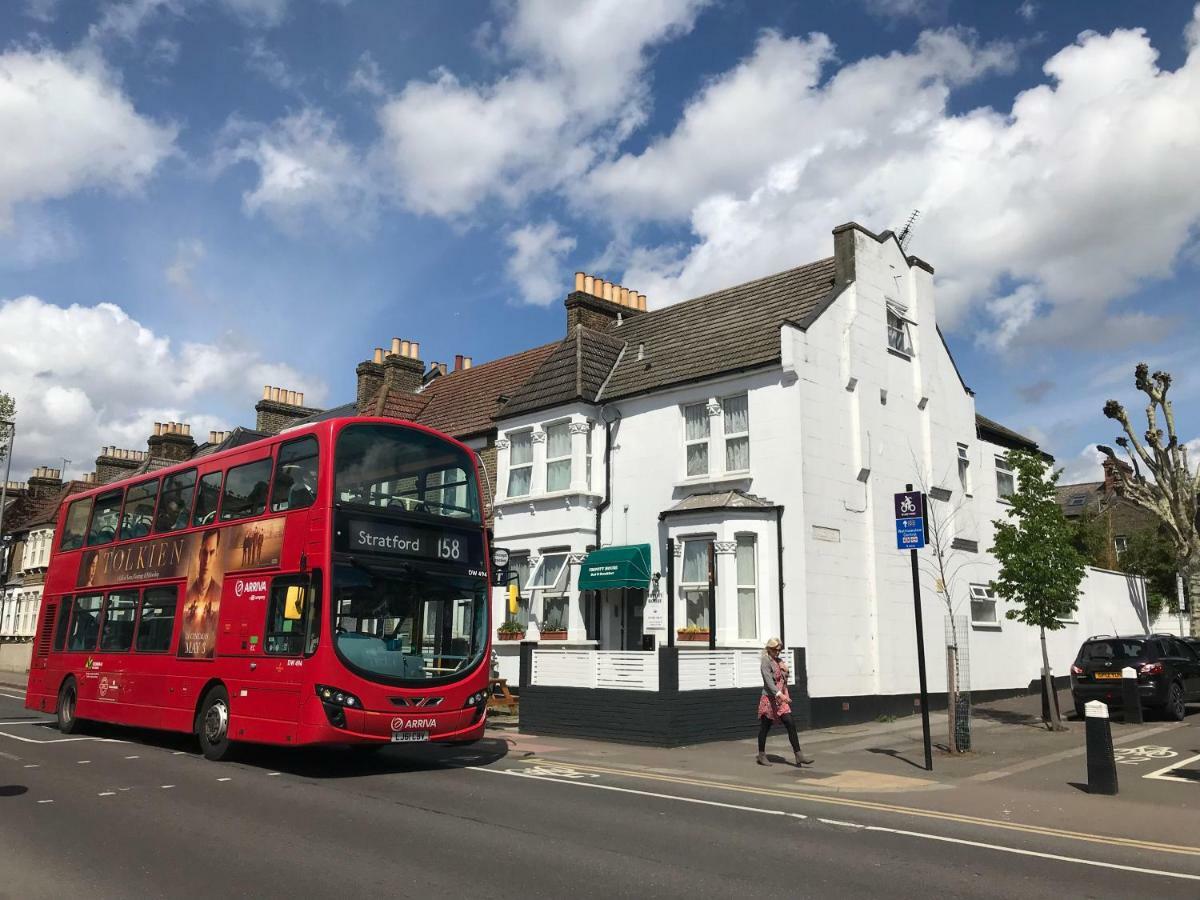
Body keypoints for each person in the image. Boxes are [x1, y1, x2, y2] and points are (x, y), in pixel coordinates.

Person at [756, 637, 813, 767]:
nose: (778, 652)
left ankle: (799, 755)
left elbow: (782, 678)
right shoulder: (766, 661)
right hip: (770, 699)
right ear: (769, 649)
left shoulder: (778, 661)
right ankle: (761, 755)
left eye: (779, 650)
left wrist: (786, 671)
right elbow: (769, 681)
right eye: (776, 650)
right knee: (765, 727)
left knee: (790, 723)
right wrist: (780, 694)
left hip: (781, 700)